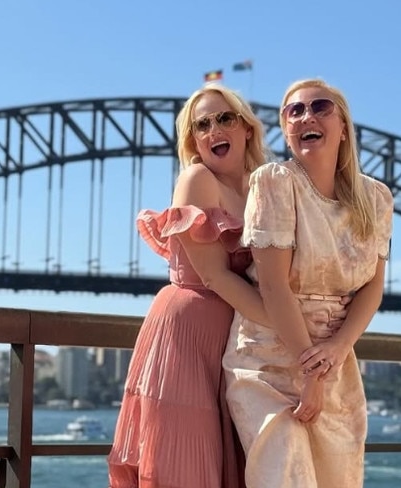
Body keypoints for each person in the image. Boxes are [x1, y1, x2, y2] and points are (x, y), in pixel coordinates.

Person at [107, 83, 351, 488]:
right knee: (185, 462)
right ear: (194, 140)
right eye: (201, 125)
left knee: (233, 460)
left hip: (237, 339)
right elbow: (213, 275)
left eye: (225, 119)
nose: (213, 130)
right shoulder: (197, 178)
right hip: (187, 334)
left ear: (247, 129)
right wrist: (299, 341)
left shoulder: (263, 185)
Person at [223, 78, 394, 487]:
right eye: (294, 111)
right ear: (285, 128)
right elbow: (274, 286)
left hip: (335, 359)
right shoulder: (274, 181)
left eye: (320, 107)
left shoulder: (376, 198)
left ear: (344, 127)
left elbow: (372, 287)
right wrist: (310, 375)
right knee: (284, 475)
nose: (306, 117)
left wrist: (337, 348)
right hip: (270, 357)